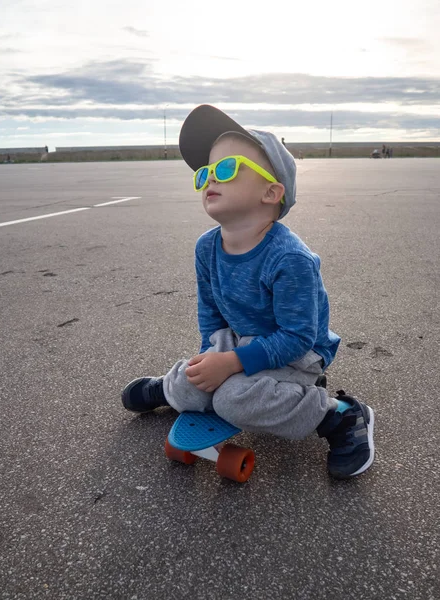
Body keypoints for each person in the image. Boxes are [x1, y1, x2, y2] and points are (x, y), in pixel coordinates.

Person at [122, 104, 375, 480]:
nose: (210, 179)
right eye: (205, 173)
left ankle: (337, 415)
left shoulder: (290, 258)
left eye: (226, 169)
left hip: (296, 354)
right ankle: (171, 389)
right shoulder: (206, 248)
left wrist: (232, 366)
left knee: (232, 399)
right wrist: (211, 356)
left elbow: (298, 336)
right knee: (196, 383)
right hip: (240, 340)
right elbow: (211, 313)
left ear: (271, 192)